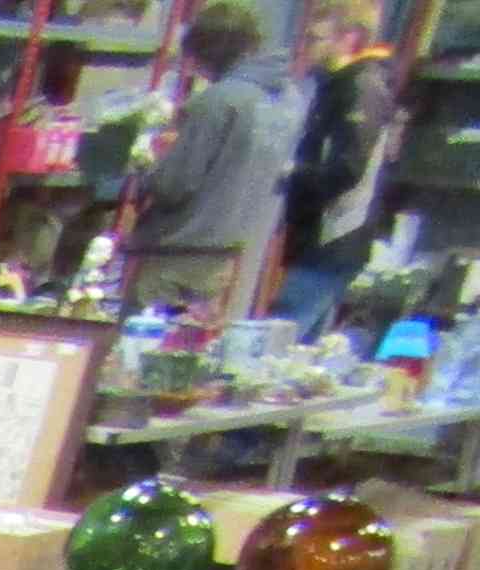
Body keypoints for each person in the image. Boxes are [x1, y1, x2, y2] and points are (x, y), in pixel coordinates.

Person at [125, 0, 297, 319]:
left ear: (208, 52)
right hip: (225, 253)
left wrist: (146, 165)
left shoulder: (219, 101)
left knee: (139, 344)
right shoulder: (282, 99)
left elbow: (174, 184)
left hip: (178, 250)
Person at [280, 0, 396, 339]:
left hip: (335, 234)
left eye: (317, 38)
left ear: (350, 37)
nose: (308, 47)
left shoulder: (361, 86)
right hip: (320, 234)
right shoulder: (338, 84)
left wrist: (291, 174)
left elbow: (347, 168)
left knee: (283, 330)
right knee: (299, 340)